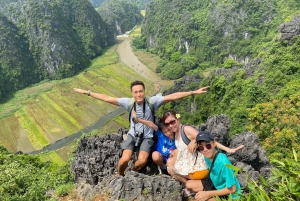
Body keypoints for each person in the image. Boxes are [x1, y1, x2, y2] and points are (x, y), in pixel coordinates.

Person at [73, 81, 210, 179]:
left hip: (148, 137)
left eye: (141, 91)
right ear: (132, 93)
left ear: (144, 91)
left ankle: (131, 173)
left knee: (143, 161)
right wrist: (87, 92)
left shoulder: (152, 101)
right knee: (124, 159)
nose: (139, 94)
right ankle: (120, 175)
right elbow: (108, 98)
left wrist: (194, 92)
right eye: (136, 92)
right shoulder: (129, 103)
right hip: (133, 135)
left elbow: (173, 96)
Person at [162, 110, 243, 196]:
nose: (170, 125)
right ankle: (192, 187)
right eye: (167, 124)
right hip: (192, 164)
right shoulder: (175, 133)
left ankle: (194, 188)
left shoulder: (186, 129)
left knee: (170, 169)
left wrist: (228, 149)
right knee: (172, 167)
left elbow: (207, 140)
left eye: (172, 122)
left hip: (199, 166)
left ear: (178, 119)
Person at [185, 131, 241, 200]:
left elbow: (233, 189)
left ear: (214, 144)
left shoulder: (224, 163)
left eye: (208, 145)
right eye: (201, 147)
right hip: (214, 183)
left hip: (228, 192)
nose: (205, 149)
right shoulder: (207, 155)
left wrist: (208, 194)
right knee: (188, 184)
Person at [131, 109, 175, 174]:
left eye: (169, 130)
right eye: (165, 132)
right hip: (161, 157)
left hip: (172, 158)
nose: (168, 133)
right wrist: (138, 120)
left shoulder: (177, 136)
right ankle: (163, 168)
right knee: (155, 155)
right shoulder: (161, 134)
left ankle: (170, 169)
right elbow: (151, 125)